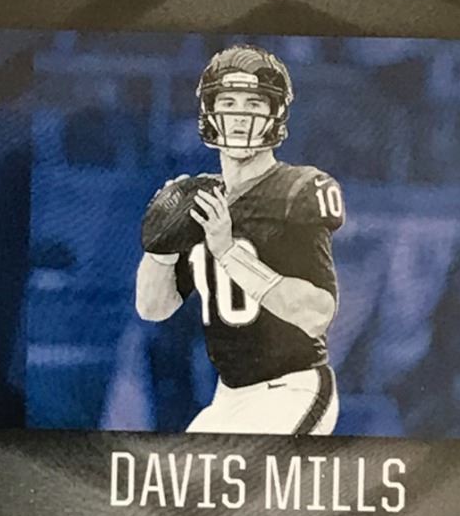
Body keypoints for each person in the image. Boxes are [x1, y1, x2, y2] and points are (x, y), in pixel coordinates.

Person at [135, 46, 345, 433]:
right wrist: (160, 249)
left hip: (292, 389)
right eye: (228, 102)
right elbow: (153, 309)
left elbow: (317, 314)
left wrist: (229, 252)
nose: (239, 116)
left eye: (254, 103)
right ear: (209, 111)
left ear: (275, 113)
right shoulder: (199, 197)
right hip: (228, 397)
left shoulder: (296, 189)